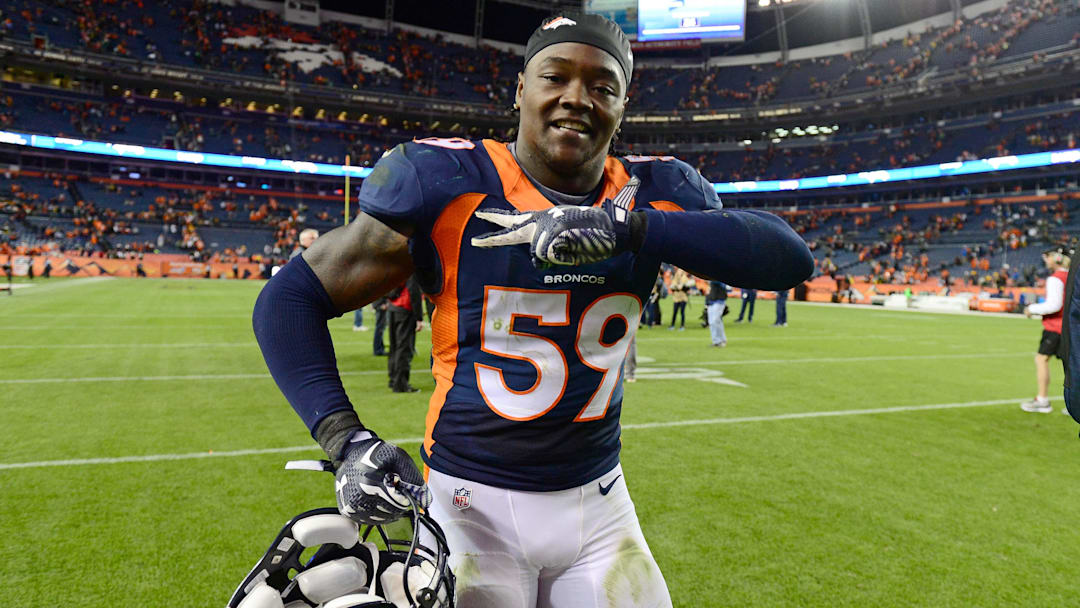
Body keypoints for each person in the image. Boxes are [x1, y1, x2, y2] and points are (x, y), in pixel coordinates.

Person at [252, 12, 813, 608]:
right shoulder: (450, 183)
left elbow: (788, 259)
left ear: (623, 104)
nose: (578, 98)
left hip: (600, 505)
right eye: (556, 77)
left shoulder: (657, 193)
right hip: (467, 506)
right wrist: (346, 440)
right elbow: (288, 300)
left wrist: (630, 231)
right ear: (522, 88)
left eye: (603, 86)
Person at [1020, 245, 1071, 414]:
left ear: (1057, 258)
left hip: (1055, 327)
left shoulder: (1056, 278)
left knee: (1041, 359)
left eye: (1048, 256)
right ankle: (1074, 404)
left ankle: (1042, 400)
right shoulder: (1072, 276)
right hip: (1069, 327)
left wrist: (1031, 309)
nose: (1046, 260)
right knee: (1071, 365)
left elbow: (1054, 305)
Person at [386, 274, 423, 393]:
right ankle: (400, 384)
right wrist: (419, 317)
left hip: (393, 308)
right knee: (404, 348)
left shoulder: (396, 266)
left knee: (394, 347)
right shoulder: (410, 269)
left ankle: (393, 380)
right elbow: (414, 292)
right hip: (405, 309)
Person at [706, 280, 728, 347]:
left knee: (715, 321)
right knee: (713, 322)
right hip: (711, 301)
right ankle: (717, 340)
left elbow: (719, 283)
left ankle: (719, 340)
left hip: (719, 301)